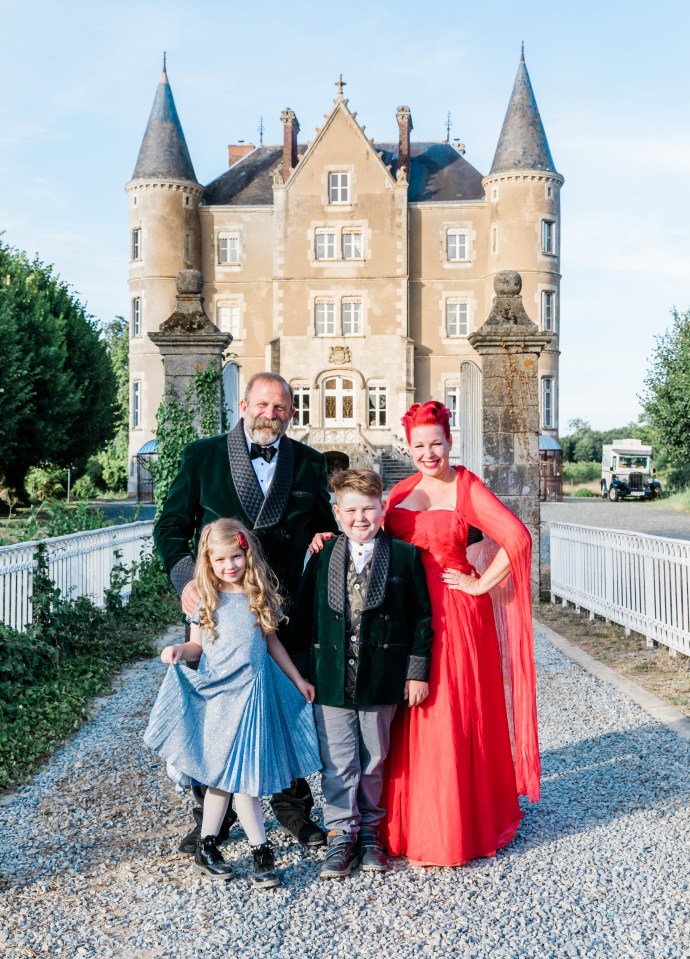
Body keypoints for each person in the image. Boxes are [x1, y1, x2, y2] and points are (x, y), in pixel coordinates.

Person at [154, 372, 338, 852]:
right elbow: (170, 526)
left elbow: (326, 528)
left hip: (281, 614)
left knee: (285, 708)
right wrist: (186, 582)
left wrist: (325, 540)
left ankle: (294, 809)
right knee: (215, 714)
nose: (269, 415)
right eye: (262, 405)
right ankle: (209, 822)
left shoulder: (311, 463)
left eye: (280, 408)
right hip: (215, 612)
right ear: (243, 404)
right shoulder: (203, 456)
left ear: (291, 413)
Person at [382, 400, 540, 867]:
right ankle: (412, 817)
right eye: (419, 446)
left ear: (450, 442)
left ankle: (453, 825)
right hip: (409, 612)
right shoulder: (401, 490)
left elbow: (518, 539)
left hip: (453, 613)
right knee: (411, 713)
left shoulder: (466, 486)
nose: (429, 453)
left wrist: (477, 582)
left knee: (445, 712)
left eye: (436, 444)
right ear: (408, 447)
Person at [144, 519, 321, 887]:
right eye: (221, 559)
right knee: (219, 780)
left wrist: (298, 679)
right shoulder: (207, 600)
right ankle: (209, 846)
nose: (230, 566)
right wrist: (178, 649)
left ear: (247, 555)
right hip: (218, 698)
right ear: (208, 562)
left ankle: (260, 851)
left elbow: (272, 645)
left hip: (253, 698)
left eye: (236, 557)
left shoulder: (258, 596)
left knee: (247, 783)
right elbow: (197, 646)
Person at [294, 468, 433, 879]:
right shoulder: (321, 557)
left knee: (374, 758)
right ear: (336, 513)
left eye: (368, 509)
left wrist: (417, 672)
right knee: (337, 760)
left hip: (381, 678)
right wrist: (304, 675)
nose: (360, 518)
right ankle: (341, 833)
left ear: (383, 508)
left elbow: (422, 618)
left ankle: (370, 832)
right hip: (331, 679)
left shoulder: (405, 557)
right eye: (350, 510)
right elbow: (303, 620)